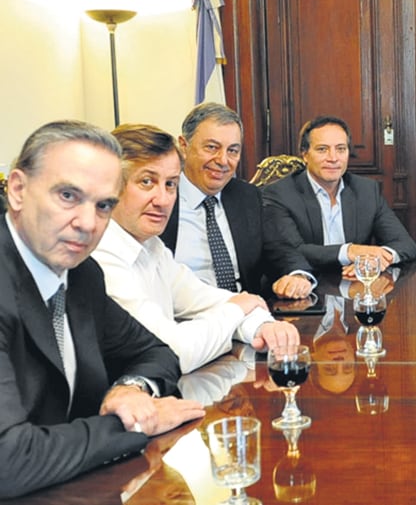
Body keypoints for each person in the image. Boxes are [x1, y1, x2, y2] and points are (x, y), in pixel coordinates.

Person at [0, 120, 204, 498]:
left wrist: (130, 389)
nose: (87, 224)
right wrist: (136, 425)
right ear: (17, 190)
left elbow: (155, 351)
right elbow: (8, 461)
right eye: (68, 196)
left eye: (103, 205)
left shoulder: (81, 273)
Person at [93, 124, 299, 374]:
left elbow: (205, 299)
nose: (163, 200)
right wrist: (238, 310)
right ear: (109, 188)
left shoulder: (150, 244)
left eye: (170, 184)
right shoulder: (98, 255)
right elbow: (172, 351)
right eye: (147, 182)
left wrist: (262, 327)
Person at [160, 102, 313, 299]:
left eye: (232, 150)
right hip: (183, 318)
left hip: (244, 315)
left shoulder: (246, 196)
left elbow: (279, 249)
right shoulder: (162, 198)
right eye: (212, 147)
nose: (223, 160)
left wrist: (297, 275)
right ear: (184, 146)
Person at [262, 116, 416, 281]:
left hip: (353, 288)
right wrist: (349, 251)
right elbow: (290, 251)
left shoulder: (366, 190)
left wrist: (381, 258)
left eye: (341, 149)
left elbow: (406, 245)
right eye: (322, 149)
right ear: (305, 155)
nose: (333, 158)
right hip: (306, 288)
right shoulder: (280, 194)